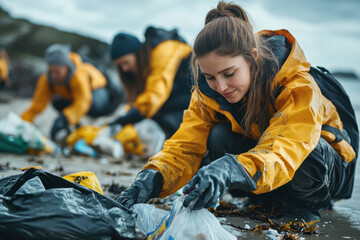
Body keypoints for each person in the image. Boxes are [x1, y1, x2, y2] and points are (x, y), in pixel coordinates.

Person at [114, 2, 359, 221]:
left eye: (229, 74)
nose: (220, 87)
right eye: (209, 77)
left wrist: (231, 168)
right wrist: (151, 179)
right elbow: (184, 146)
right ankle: (263, 198)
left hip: (322, 171)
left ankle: (306, 206)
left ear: (252, 58)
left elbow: (286, 149)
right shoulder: (207, 94)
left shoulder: (296, 84)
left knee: (310, 150)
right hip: (265, 167)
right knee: (218, 136)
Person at [21, 44, 122, 140]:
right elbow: (37, 104)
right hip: (75, 97)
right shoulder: (46, 79)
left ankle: (81, 122)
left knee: (92, 105)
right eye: (51, 71)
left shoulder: (78, 77)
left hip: (99, 93)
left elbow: (83, 102)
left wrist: (65, 118)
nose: (53, 76)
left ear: (67, 67)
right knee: (57, 102)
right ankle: (75, 125)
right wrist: (22, 122)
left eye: (57, 72)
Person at [107, 26, 193, 139]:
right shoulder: (145, 63)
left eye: (126, 62)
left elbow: (156, 94)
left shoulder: (163, 49)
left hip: (193, 97)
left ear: (137, 54)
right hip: (178, 97)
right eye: (120, 66)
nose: (124, 69)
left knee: (160, 118)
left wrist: (127, 118)